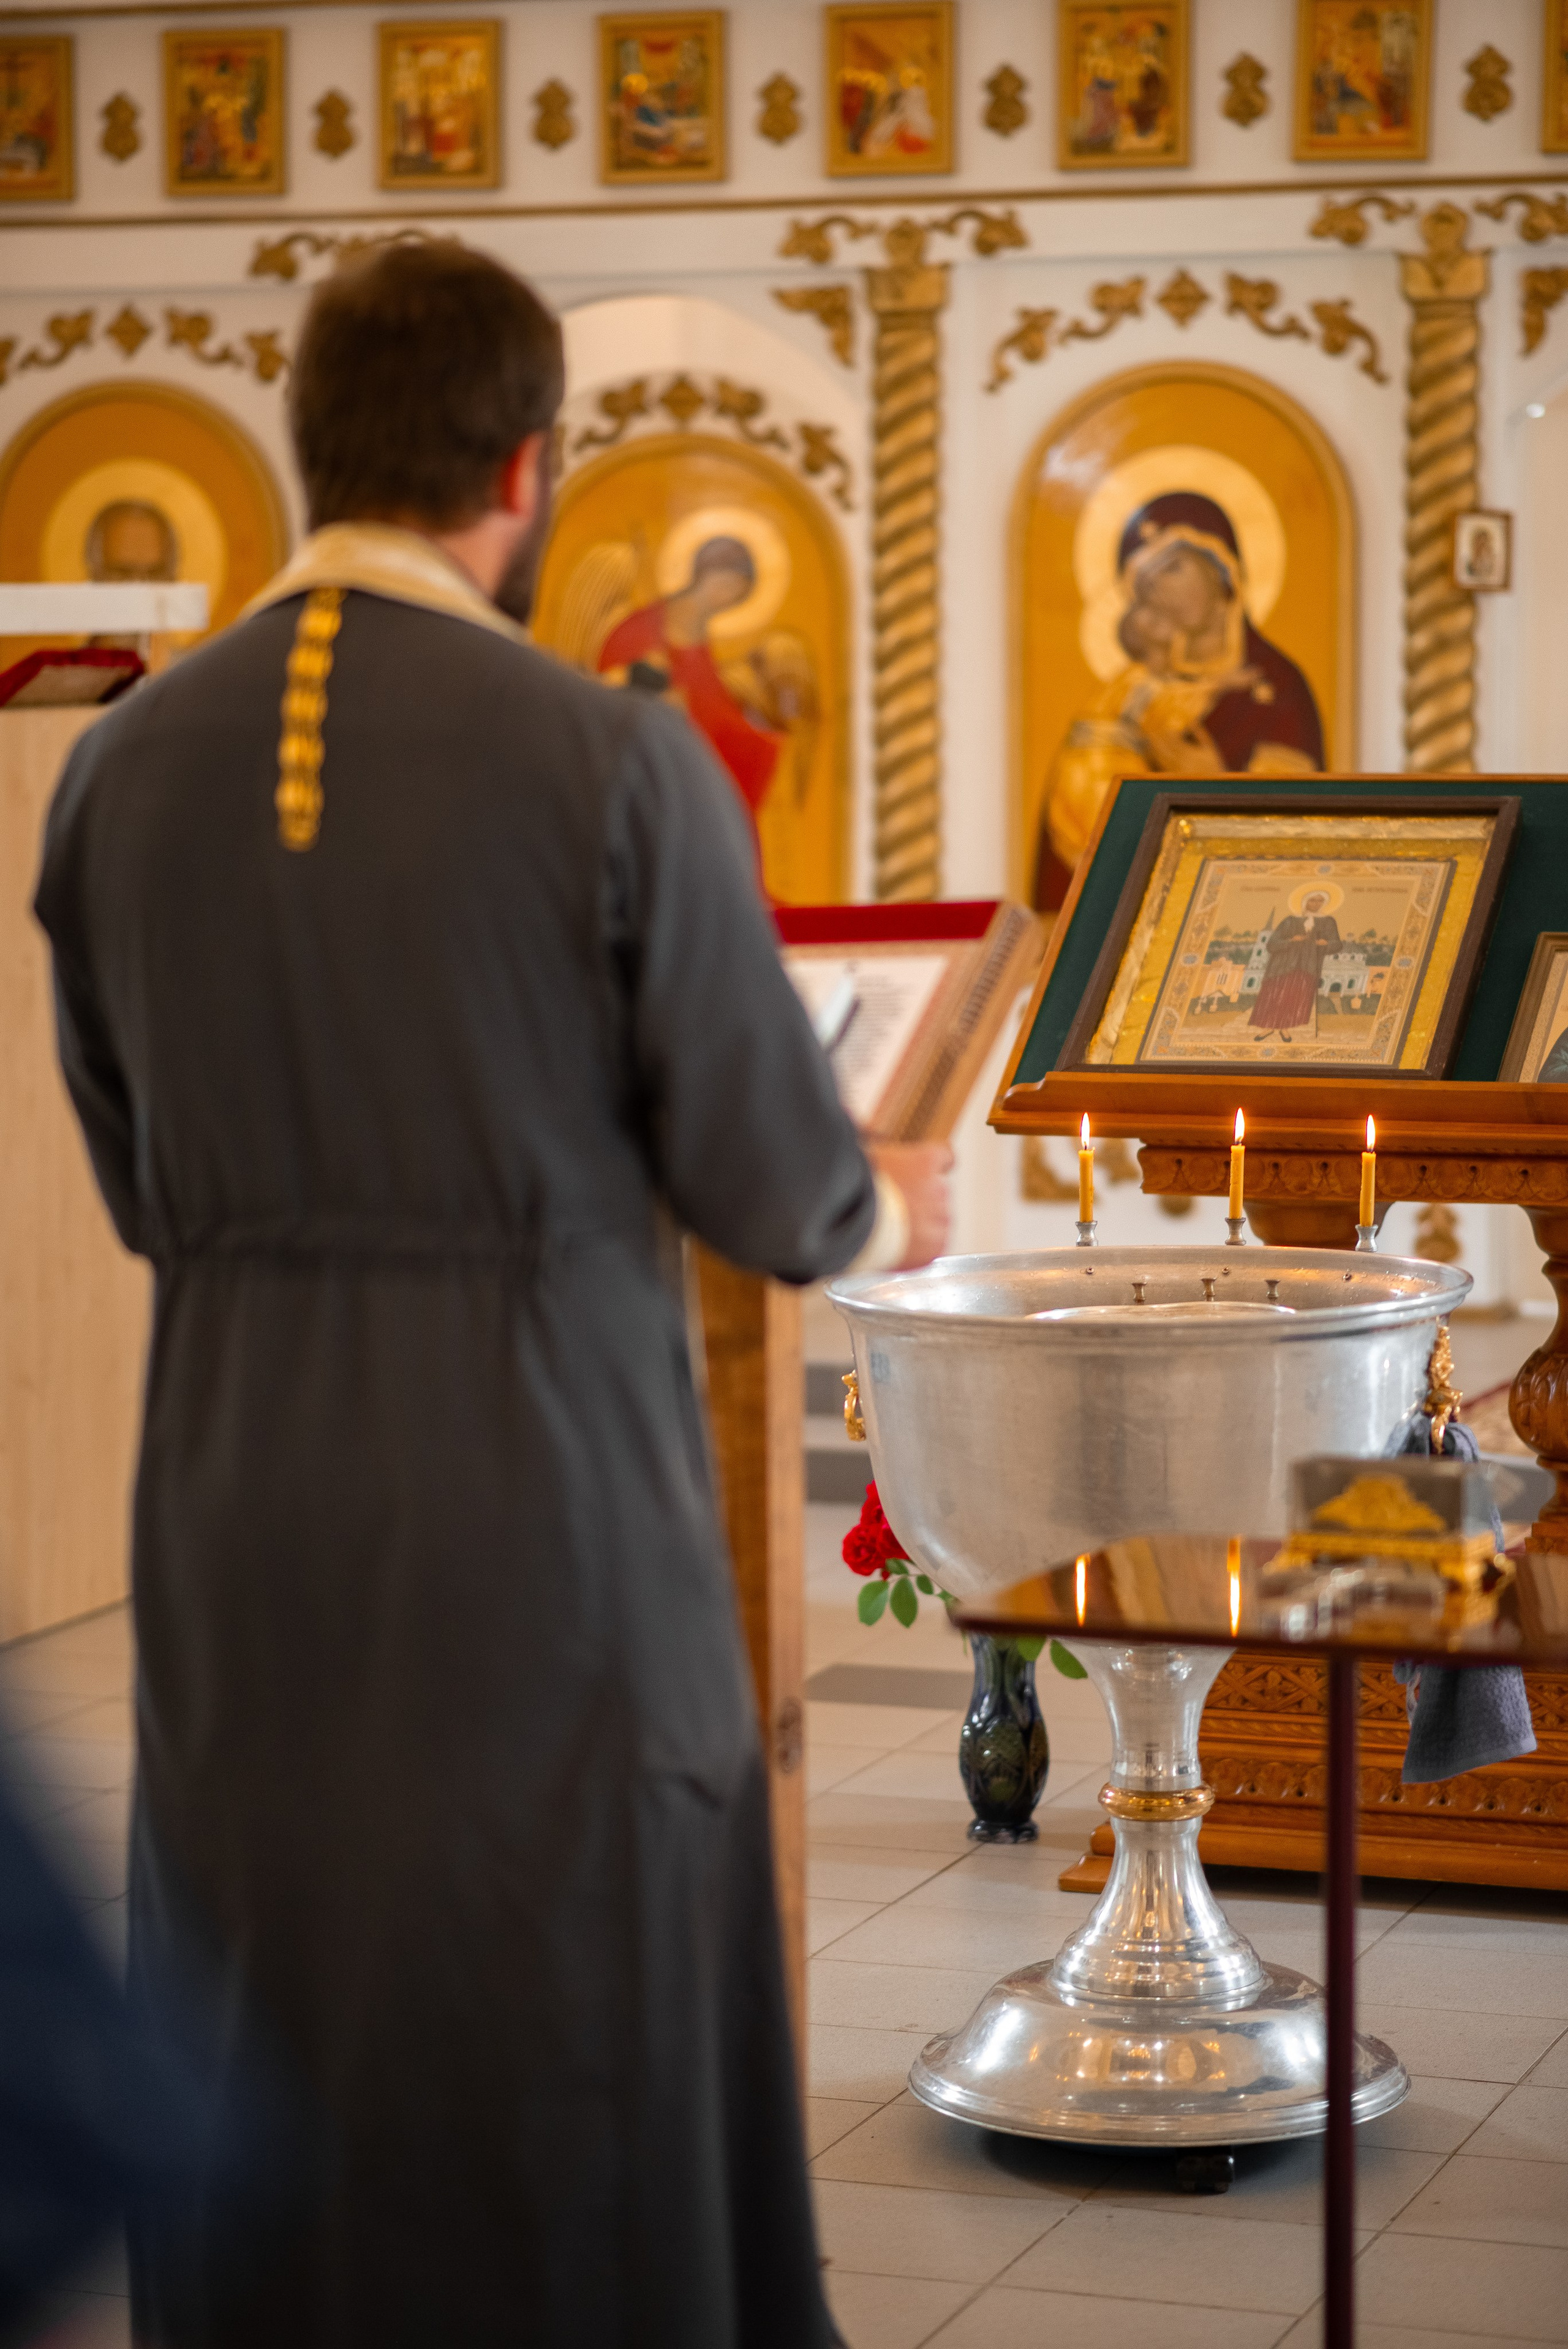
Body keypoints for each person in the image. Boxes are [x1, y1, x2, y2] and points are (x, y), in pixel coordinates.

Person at [34, 240, 951, 2347]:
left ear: (306, 445)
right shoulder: (609, 761)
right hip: (545, 1482)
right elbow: (772, 1180)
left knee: (275, 1951)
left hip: (241, 1491)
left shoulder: (115, 770)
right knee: (571, 1970)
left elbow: (137, 1179)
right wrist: (893, 1192)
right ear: (528, 468)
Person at [1033, 491, 1325, 908]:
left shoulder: (1277, 688)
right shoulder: (1133, 688)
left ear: (1222, 568)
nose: (1161, 592)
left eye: (1173, 568)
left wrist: (1215, 782)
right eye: (1147, 583)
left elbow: (1299, 841)